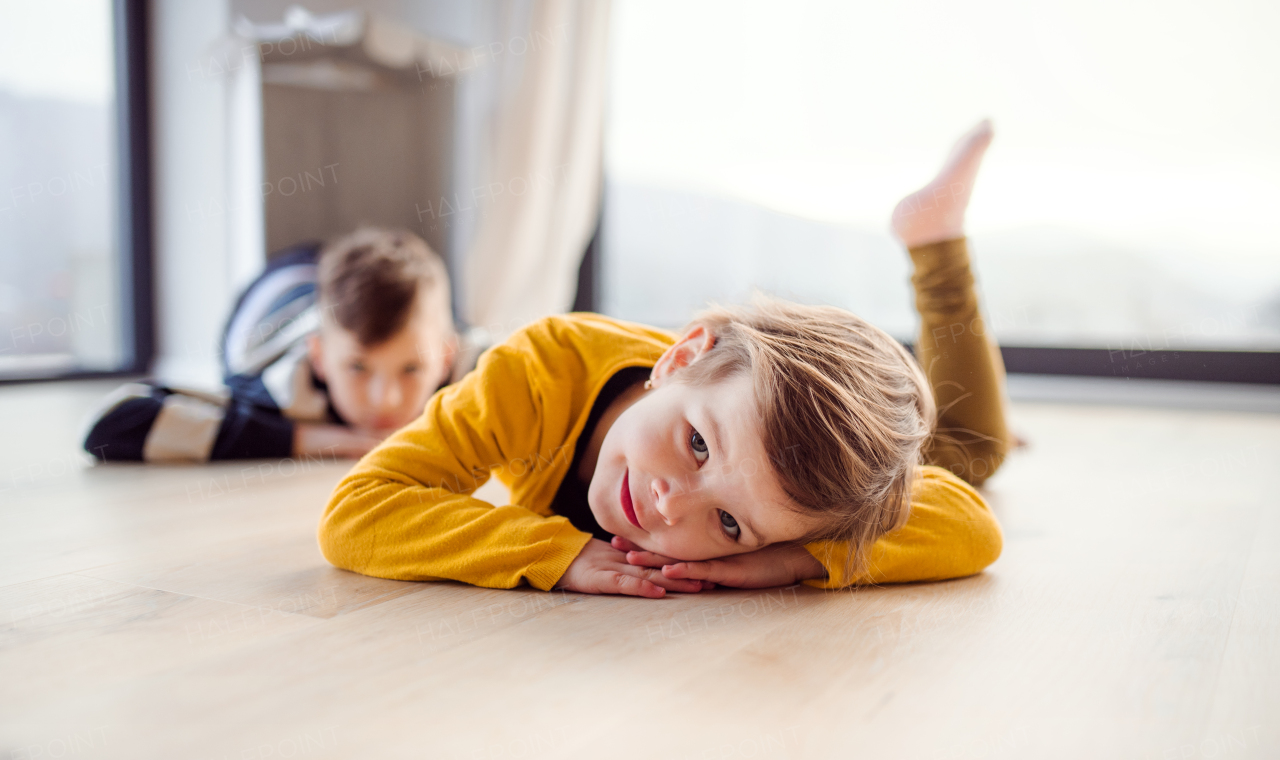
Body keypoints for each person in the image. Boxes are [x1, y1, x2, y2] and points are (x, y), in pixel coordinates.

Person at [318, 121, 1011, 594]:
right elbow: (356, 512)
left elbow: (972, 525)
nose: (672, 503)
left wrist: (793, 558)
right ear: (681, 357)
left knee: (966, 454)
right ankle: (936, 244)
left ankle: (936, 238)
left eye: (731, 524)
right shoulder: (534, 372)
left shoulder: (774, 486)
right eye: (697, 443)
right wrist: (555, 556)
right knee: (973, 446)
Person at [83, 228, 476, 462]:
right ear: (319, 358)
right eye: (357, 368)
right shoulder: (273, 385)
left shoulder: (467, 362)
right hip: (282, 290)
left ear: (445, 358)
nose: (384, 400)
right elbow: (111, 425)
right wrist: (315, 439)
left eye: (412, 369)